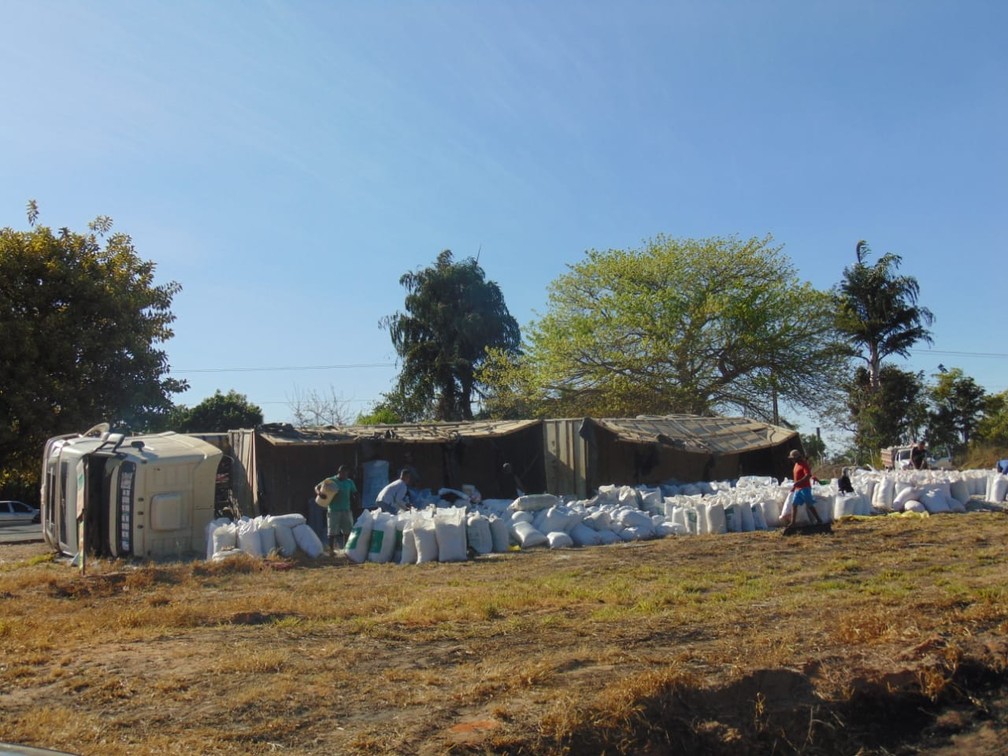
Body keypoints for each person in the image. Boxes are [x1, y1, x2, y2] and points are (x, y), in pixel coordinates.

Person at [315, 465, 358, 553]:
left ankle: (347, 550)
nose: (345, 476)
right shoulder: (330, 481)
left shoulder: (349, 482)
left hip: (346, 509)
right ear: (339, 472)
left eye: (347, 474)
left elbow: (355, 492)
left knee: (347, 531)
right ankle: (331, 550)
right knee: (332, 532)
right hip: (334, 510)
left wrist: (357, 501)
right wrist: (319, 493)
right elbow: (317, 487)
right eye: (343, 473)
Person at [783, 449, 822, 527]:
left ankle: (819, 520)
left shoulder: (803, 464)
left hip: (805, 488)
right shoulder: (796, 465)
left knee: (809, 505)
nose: (792, 460)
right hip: (798, 489)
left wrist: (798, 482)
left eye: (793, 458)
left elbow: (807, 475)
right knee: (794, 504)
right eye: (792, 459)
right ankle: (793, 523)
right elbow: (796, 478)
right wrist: (794, 487)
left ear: (797, 457)